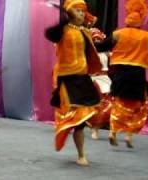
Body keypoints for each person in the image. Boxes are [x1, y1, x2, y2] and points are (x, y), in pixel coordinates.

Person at [95, 0, 148, 148]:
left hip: (120, 74)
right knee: (137, 106)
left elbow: (101, 47)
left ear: (127, 21)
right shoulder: (146, 36)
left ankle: (112, 132)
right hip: (138, 75)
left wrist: (88, 41)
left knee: (118, 103)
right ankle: (128, 136)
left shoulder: (118, 34)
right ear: (140, 22)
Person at [45, 0, 102, 166]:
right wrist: (64, 20)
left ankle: (81, 154)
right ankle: (68, 133)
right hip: (67, 80)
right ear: (70, 13)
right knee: (73, 116)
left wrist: (115, 40)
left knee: (82, 121)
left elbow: (96, 50)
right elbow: (49, 34)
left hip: (83, 79)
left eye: (83, 11)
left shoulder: (85, 32)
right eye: (78, 11)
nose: (82, 14)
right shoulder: (62, 30)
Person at [87, 28, 112, 140]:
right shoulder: (87, 53)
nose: (97, 41)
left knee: (110, 105)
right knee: (96, 106)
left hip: (105, 80)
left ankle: (112, 131)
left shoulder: (107, 53)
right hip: (93, 80)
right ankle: (94, 129)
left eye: (99, 39)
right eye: (94, 39)